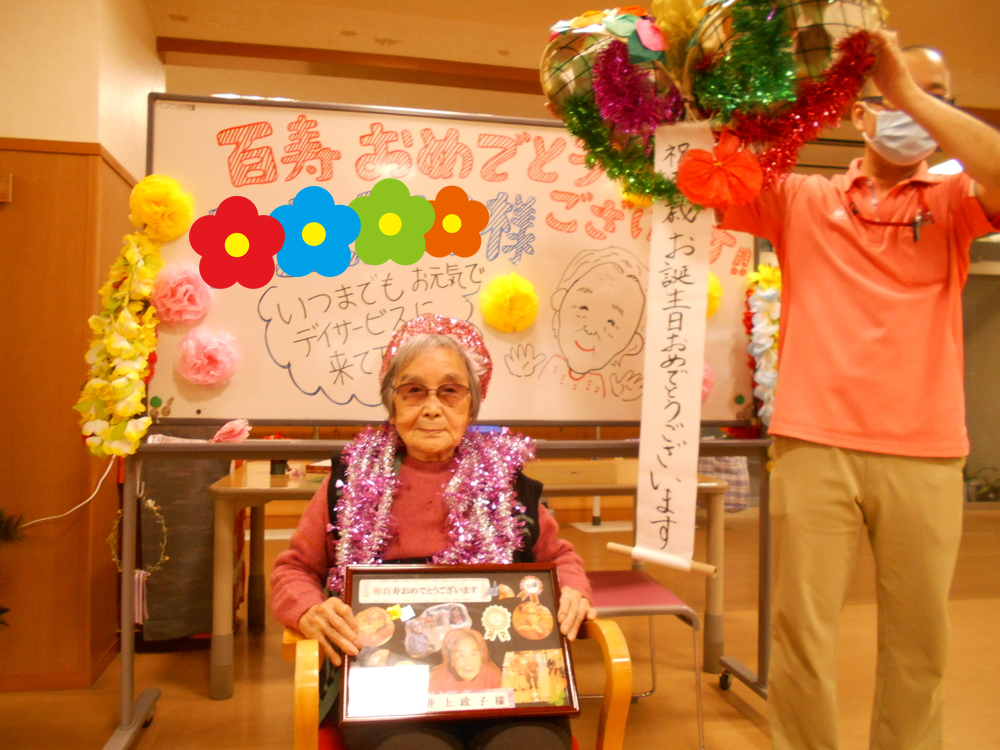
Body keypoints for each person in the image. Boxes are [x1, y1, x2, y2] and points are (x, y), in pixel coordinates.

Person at [718, 30, 1000, 750]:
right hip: (815, 443)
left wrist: (905, 88)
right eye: (895, 95)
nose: (914, 109)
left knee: (919, 643)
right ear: (857, 113)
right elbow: (714, 165)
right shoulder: (801, 197)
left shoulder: (955, 199)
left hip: (927, 452)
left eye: (938, 99)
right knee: (803, 636)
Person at [271, 313, 595, 750]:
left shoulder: (506, 481)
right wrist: (310, 610)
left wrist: (572, 590)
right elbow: (294, 569)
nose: (431, 407)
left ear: (471, 402)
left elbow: (560, 558)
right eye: (413, 391)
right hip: (388, 685)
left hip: (503, 685)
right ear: (393, 400)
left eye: (450, 391)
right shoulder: (349, 480)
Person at [428, 629, 502, 694]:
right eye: (461, 655)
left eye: (473, 654)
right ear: (451, 660)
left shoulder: (490, 675)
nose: (468, 663)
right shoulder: (437, 680)